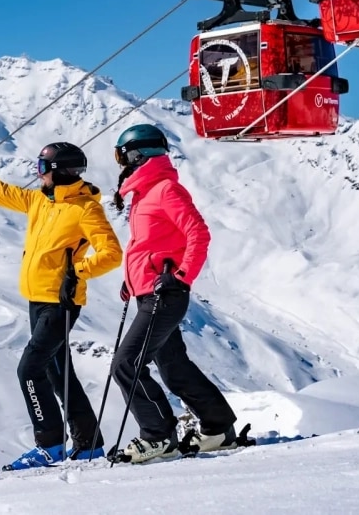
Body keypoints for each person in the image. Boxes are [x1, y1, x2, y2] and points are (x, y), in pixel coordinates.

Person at [0, 142, 122, 470]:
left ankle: (50, 446)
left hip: (61, 303)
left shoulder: (85, 209)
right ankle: (88, 445)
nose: (38, 173)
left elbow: (111, 253)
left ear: (57, 171)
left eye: (42, 167)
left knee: (29, 369)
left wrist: (77, 272)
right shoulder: (39, 202)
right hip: (38, 299)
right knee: (59, 374)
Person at [107, 123, 239, 464]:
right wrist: (133, 281)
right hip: (150, 291)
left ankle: (158, 436)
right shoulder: (143, 194)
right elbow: (150, 246)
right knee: (174, 369)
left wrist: (181, 277)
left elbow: (198, 233)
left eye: (121, 155)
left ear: (136, 154)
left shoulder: (165, 190)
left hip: (166, 294)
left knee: (126, 364)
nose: (119, 163)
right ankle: (218, 428)